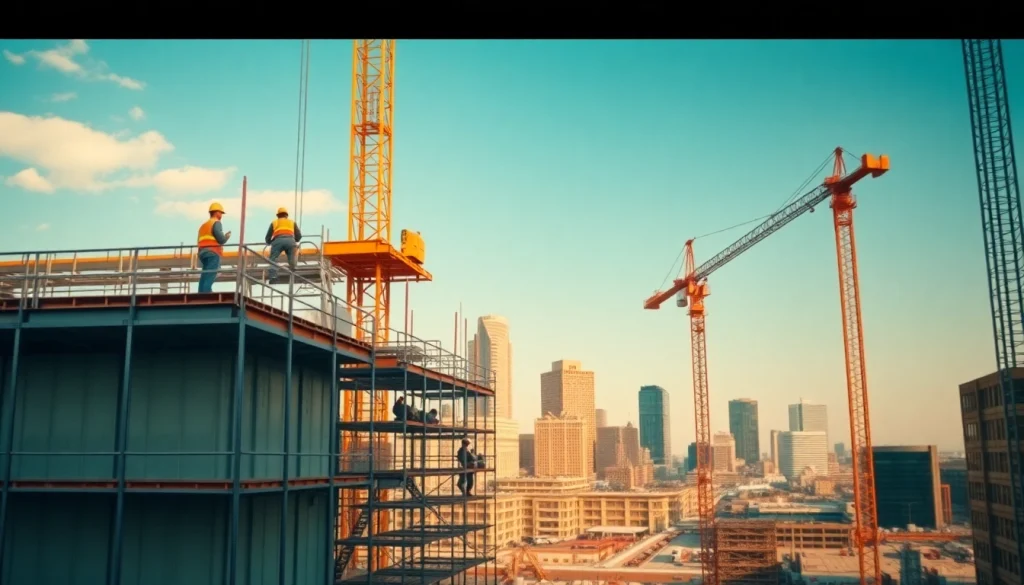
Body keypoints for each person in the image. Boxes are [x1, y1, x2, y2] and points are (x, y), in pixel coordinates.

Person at [197, 202, 231, 293]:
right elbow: (221, 240)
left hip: (202, 253)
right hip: (213, 252)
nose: (221, 215)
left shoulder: (203, 226)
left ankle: (201, 293)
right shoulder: (216, 222)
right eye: (221, 213)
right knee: (210, 274)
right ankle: (206, 295)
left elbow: (199, 241)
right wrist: (226, 237)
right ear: (216, 212)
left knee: (205, 274)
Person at [265, 207, 302, 281]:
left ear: (278, 215)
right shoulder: (292, 222)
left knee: (273, 259)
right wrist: (293, 240)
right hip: (290, 241)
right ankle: (293, 275)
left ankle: (273, 277)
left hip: (278, 241)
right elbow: (299, 236)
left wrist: (271, 242)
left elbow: (267, 237)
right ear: (286, 215)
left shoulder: (274, 222)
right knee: (292, 260)